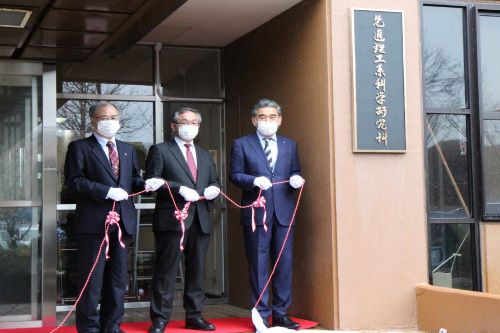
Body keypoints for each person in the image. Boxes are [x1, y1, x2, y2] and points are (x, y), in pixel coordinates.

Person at [64, 101, 152, 333]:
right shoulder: (79, 148)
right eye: (105, 118)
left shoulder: (127, 148)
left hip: (123, 222)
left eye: (114, 117)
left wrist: (145, 183)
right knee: (92, 280)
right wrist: (105, 191)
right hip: (94, 225)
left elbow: (131, 179)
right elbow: (74, 182)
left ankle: (112, 326)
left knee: (117, 279)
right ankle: (90, 328)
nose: (111, 122)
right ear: (94, 121)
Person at [144, 107, 221, 333]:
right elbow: (152, 181)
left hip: (200, 218)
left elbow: (215, 180)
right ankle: (159, 319)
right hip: (172, 219)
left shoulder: (205, 154)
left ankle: (194, 315)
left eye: (194, 122)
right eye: (184, 122)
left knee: (197, 271)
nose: (189, 126)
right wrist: (179, 189)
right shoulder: (160, 150)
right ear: (173, 126)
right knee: (166, 271)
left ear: (198, 126)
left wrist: (214, 189)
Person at [230, 98, 305, 330]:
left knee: (284, 263)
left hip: (284, 213)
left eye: (272, 117)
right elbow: (235, 175)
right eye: (262, 117)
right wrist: (253, 180)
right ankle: (260, 314)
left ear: (280, 120)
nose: (267, 121)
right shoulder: (242, 144)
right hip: (257, 213)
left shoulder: (289, 144)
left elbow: (295, 172)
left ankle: (281, 312)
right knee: (259, 264)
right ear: (254, 120)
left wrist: (296, 180)